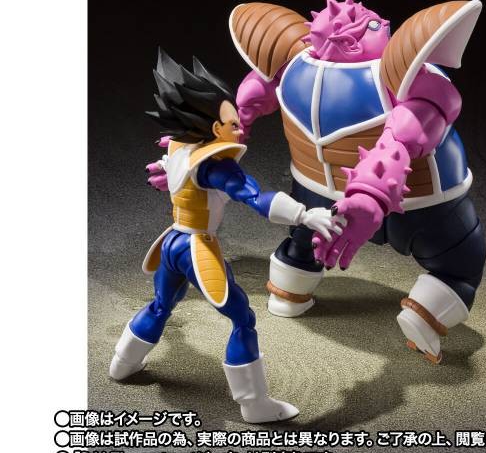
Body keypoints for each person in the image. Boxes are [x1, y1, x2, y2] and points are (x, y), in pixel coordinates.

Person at [110, 48, 343, 423]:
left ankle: (122, 364)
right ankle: (254, 404)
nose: (238, 127)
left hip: (171, 243)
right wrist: (304, 214)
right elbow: (256, 198)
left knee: (161, 305)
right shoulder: (214, 166)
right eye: (231, 122)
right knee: (242, 318)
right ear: (214, 128)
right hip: (194, 247)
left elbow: (167, 169)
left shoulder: (180, 145)